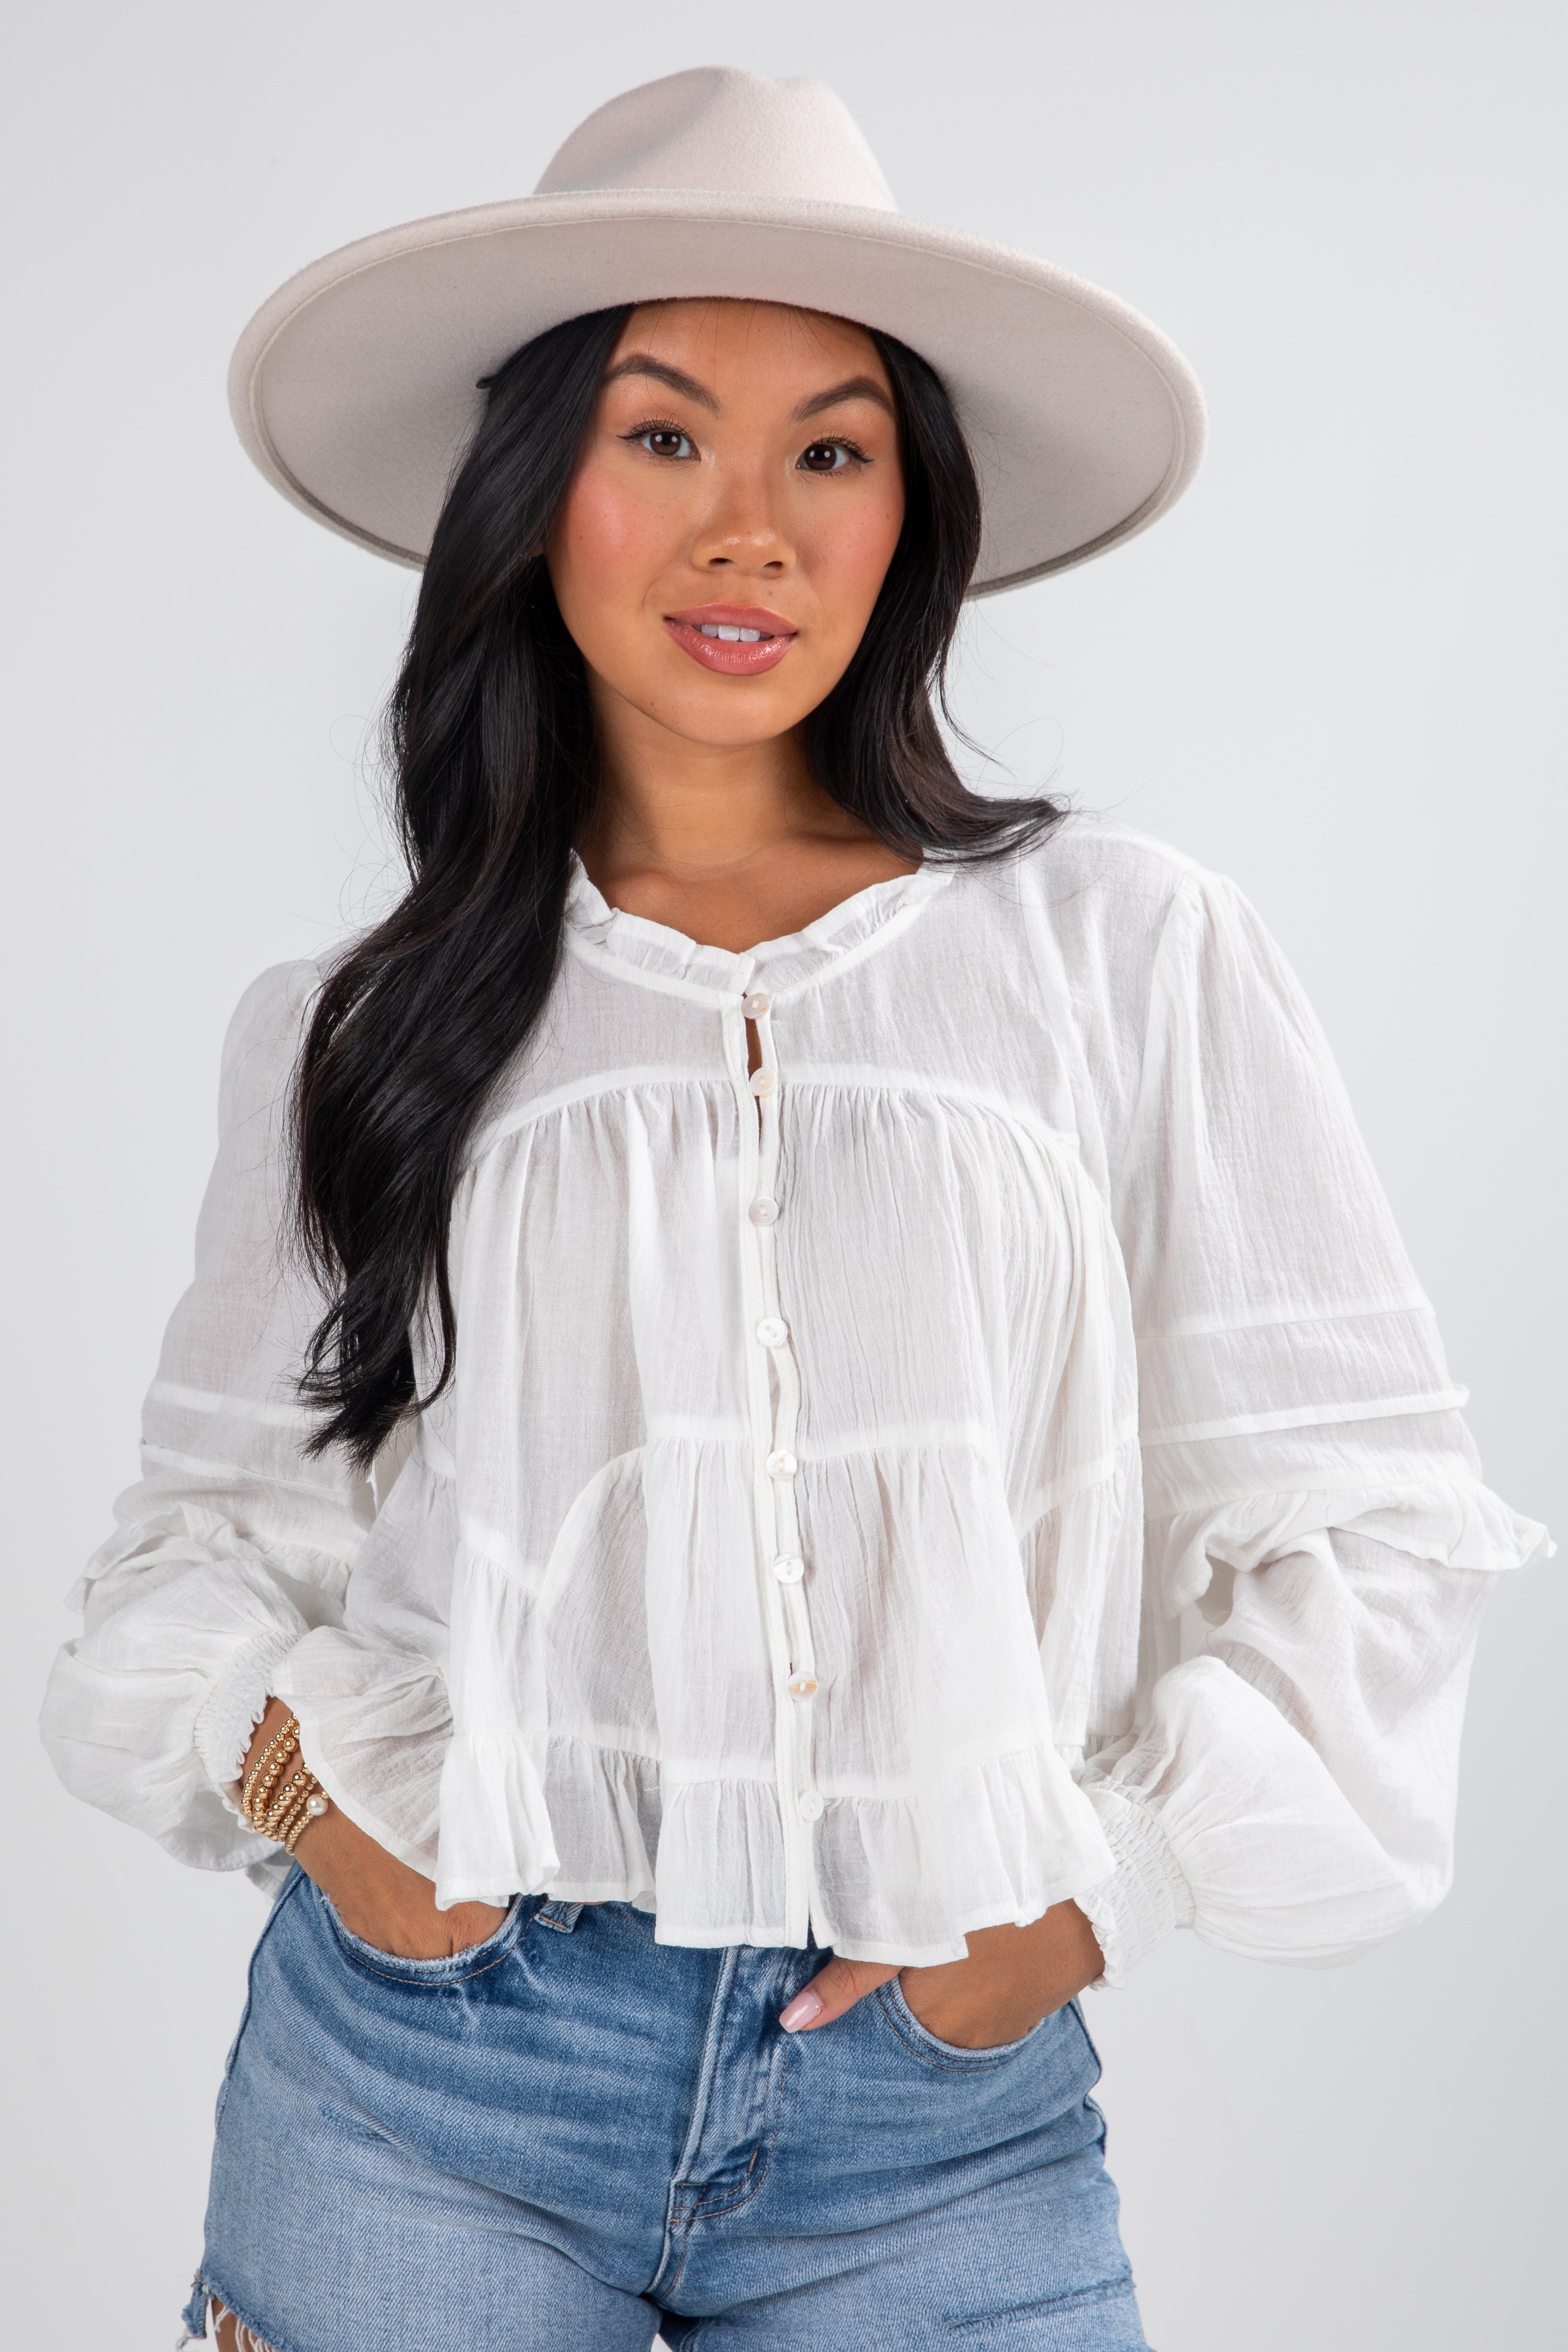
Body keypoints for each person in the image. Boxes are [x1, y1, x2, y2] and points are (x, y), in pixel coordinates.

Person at [41, 66, 1547, 2352]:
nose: (749, 528)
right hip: (426, 2079)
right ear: (534, 490)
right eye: (663, 435)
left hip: (936, 2110)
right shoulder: (358, 1028)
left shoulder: (1123, 954)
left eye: (827, 449)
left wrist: (1086, 1888)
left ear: (906, 510)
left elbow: (1374, 1517)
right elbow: (191, 1565)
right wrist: (345, 1823)